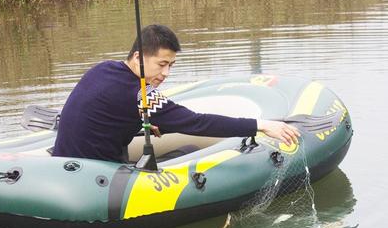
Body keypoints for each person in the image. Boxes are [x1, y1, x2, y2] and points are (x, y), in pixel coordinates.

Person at [52, 24, 299, 163]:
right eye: (161, 64)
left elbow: (107, 115)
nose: (167, 73)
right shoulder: (142, 95)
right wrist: (262, 125)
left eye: (171, 65)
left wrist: (142, 122)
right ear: (138, 57)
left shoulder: (104, 68)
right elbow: (197, 122)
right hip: (94, 179)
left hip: (65, 165)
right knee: (188, 151)